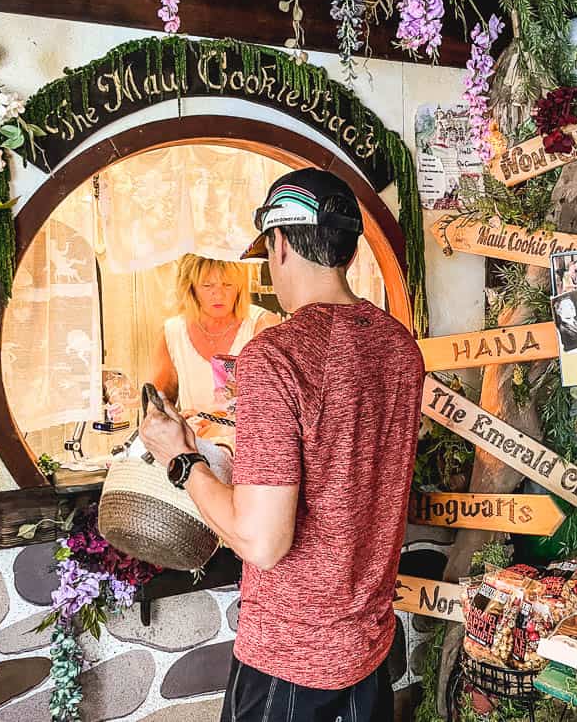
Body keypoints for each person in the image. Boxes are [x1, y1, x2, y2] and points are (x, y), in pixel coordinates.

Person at [139, 168, 424, 721]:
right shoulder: (399, 346)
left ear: (281, 242)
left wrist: (179, 456)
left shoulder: (277, 355)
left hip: (290, 661)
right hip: (369, 650)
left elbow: (262, 541)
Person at [151, 254, 280, 415]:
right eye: (207, 285)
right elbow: (157, 405)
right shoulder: (172, 333)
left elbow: (275, 406)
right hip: (193, 439)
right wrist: (177, 421)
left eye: (227, 285)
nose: (219, 295)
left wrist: (215, 421)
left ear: (239, 287)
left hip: (247, 439)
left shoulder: (262, 326)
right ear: (191, 288)